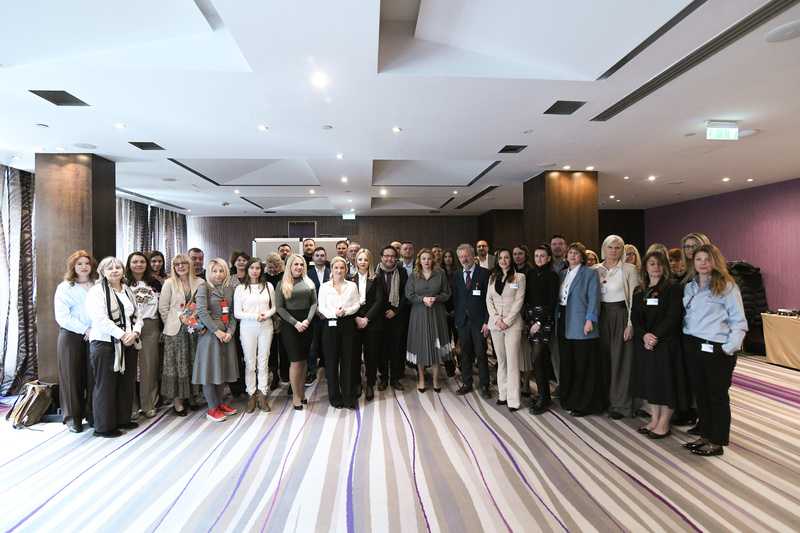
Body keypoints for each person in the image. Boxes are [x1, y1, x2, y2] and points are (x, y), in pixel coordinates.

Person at [682, 244, 747, 456]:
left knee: (717, 396)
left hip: (716, 348)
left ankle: (717, 442)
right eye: (698, 259)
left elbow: (739, 322)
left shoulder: (727, 286)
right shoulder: (690, 287)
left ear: (715, 261)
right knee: (701, 395)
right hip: (693, 345)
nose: (702, 263)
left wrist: (728, 349)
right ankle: (705, 436)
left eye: (707, 259)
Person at [630, 251, 687, 439]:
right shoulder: (639, 290)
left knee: (666, 383)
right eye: (652, 263)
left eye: (660, 263)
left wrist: (654, 337)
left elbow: (673, 316)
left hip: (666, 343)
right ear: (645, 267)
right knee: (652, 382)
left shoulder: (673, 287)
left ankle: (664, 423)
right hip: (646, 343)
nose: (656, 267)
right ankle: (654, 420)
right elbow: (634, 317)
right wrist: (644, 336)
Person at [86, 256, 143, 438]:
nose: (114, 271)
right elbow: (100, 319)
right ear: (102, 272)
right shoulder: (96, 291)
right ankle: (104, 427)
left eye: (117, 267)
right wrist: (123, 335)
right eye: (110, 268)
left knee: (125, 384)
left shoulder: (127, 290)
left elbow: (138, 315)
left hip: (129, 342)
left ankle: (122, 419)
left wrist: (135, 333)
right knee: (106, 385)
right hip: (105, 344)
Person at [595, 235, 640, 419]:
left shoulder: (628, 269)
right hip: (600, 317)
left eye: (617, 248)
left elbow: (634, 300)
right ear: (604, 249)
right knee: (602, 359)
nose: (613, 251)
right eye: (610, 247)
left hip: (621, 316)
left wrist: (630, 324)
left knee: (621, 361)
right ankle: (604, 400)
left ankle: (620, 405)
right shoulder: (595, 269)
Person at [54, 250, 98, 433]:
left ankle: (93, 414)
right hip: (71, 335)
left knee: (93, 376)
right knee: (71, 377)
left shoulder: (98, 284)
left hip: (96, 333)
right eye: (79, 263)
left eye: (87, 263)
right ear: (73, 266)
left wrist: (94, 330)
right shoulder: (65, 287)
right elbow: (62, 316)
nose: (84, 267)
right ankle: (73, 419)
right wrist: (85, 329)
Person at [558, 243, 603, 417]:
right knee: (568, 362)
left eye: (576, 253)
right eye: (570, 252)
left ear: (582, 257)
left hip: (582, 323)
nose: (572, 255)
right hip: (563, 320)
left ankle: (585, 404)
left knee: (583, 365)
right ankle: (569, 399)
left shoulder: (590, 273)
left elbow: (594, 298)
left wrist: (590, 320)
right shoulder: (562, 274)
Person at [194, 259, 240, 422]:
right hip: (210, 335)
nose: (218, 274)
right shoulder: (204, 287)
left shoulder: (230, 288)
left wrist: (230, 332)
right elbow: (201, 311)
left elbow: (232, 312)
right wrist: (217, 331)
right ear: (209, 272)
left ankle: (220, 403)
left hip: (227, 335)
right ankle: (211, 408)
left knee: (222, 370)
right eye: (215, 271)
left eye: (221, 271)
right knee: (209, 371)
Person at [159, 254, 204, 416]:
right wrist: (171, 323)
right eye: (177, 264)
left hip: (194, 331)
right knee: (176, 367)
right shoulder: (169, 283)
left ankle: (191, 397)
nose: (180, 266)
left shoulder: (200, 282)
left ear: (189, 264)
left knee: (192, 363)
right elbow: (163, 308)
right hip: (175, 332)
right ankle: (177, 402)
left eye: (184, 263)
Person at [405, 248, 453, 393]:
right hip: (419, 313)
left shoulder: (440, 274)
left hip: (436, 313)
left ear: (433, 260)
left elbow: (447, 293)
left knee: (436, 343)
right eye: (424, 258)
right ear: (419, 261)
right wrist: (423, 299)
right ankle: (421, 378)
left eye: (429, 258)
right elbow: (409, 294)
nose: (427, 261)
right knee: (421, 344)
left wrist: (435, 298)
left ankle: (436, 379)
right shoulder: (414, 275)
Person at [234, 257, 276, 414]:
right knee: (250, 363)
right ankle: (251, 395)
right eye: (252, 268)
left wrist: (266, 315)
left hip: (266, 326)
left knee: (263, 361)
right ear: (247, 270)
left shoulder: (268, 286)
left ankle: (262, 394)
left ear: (261, 270)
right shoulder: (241, 288)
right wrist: (254, 316)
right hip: (247, 327)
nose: (254, 271)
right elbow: (237, 313)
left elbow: (274, 307)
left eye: (257, 268)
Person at [275, 254, 317, 411]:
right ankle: (296, 396)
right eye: (296, 264)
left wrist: (307, 320)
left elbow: (314, 303)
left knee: (304, 361)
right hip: (290, 326)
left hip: (306, 324)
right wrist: (295, 323)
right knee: (295, 362)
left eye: (301, 264)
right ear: (289, 266)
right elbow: (279, 308)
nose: (299, 267)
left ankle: (302, 392)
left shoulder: (308, 282)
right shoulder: (282, 283)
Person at [318, 256, 361, 409]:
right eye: (336, 267)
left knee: (348, 361)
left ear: (345, 269)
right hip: (330, 325)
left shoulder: (352, 286)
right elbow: (321, 307)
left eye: (342, 267)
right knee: (331, 362)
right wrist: (334, 313)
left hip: (347, 324)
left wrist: (345, 311)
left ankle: (349, 398)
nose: (339, 270)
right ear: (332, 269)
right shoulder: (324, 287)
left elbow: (357, 304)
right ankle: (335, 398)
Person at [486, 248, 526, 411]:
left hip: (512, 324)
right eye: (500, 258)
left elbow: (519, 300)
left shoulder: (520, 277)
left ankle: (513, 399)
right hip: (496, 323)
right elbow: (488, 300)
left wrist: (508, 320)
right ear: (497, 260)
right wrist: (497, 319)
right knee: (501, 360)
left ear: (511, 259)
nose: (503, 260)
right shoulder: (492, 277)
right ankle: (502, 394)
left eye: (506, 257)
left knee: (512, 361)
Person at [125, 252, 162, 420]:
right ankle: (131, 406)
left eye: (142, 262)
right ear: (129, 264)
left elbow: (162, 307)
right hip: (129, 327)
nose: (139, 265)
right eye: (135, 262)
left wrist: (162, 329)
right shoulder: (123, 283)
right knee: (130, 366)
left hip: (151, 326)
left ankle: (149, 405)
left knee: (149, 366)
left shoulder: (154, 282)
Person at [453, 243, 491, 399]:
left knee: (481, 354)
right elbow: (456, 298)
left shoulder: (485, 273)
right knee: (465, 353)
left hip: (480, 321)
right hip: (463, 320)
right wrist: (457, 319)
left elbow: (489, 299)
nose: (464, 259)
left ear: (473, 256)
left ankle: (484, 384)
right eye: (461, 256)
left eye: (467, 255)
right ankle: (467, 382)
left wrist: (487, 321)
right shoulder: (456, 275)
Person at [525, 244, 560, 415]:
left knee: (536, 358)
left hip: (544, 318)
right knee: (540, 359)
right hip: (530, 316)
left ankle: (544, 398)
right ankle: (543, 394)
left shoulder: (552, 275)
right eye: (537, 256)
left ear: (548, 258)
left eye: (542, 256)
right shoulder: (531, 273)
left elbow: (553, 302)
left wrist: (539, 322)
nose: (539, 259)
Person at [351, 249, 386, 400]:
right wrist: (357, 318)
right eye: (360, 259)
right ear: (356, 261)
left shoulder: (376, 278)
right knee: (355, 355)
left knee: (371, 355)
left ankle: (370, 384)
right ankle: (357, 383)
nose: (363, 262)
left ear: (370, 261)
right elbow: (347, 301)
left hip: (372, 322)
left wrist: (366, 319)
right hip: (354, 322)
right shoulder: (349, 278)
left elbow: (379, 300)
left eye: (366, 259)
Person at [375, 244, 408, 390]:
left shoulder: (402, 272)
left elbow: (405, 294)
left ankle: (395, 377)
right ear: (381, 257)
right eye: (387, 256)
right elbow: (374, 295)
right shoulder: (375, 272)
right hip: (380, 316)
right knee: (382, 348)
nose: (389, 258)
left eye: (392, 256)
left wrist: (395, 311)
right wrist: (384, 311)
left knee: (396, 348)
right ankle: (383, 377)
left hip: (397, 316)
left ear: (397, 258)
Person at [227, 250, 251, 397]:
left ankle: (250, 384)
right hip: (233, 322)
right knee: (235, 355)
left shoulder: (253, 277)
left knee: (249, 354)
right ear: (234, 263)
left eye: (244, 260)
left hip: (250, 321)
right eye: (239, 260)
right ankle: (237, 386)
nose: (241, 262)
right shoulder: (229, 280)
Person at [265, 252, 290, 389]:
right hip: (269, 316)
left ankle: (285, 373)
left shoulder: (285, 276)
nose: (273, 270)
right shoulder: (264, 277)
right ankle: (275, 375)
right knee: (271, 347)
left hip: (284, 314)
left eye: (276, 267)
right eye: (270, 267)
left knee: (285, 346)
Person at [307, 247, 331, 385]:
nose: (320, 258)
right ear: (313, 258)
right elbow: (307, 294)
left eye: (322, 255)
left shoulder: (332, 272)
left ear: (326, 257)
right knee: (312, 346)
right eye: (317, 255)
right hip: (313, 316)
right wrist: (316, 309)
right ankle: (312, 372)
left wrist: (325, 310)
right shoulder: (307, 274)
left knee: (328, 345)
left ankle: (329, 371)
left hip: (328, 316)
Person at [442, 249, 460, 375]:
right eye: (445, 257)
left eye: (450, 256)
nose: (448, 259)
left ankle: (462, 364)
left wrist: (456, 310)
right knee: (446, 340)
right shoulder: (439, 274)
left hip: (456, 309)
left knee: (459, 338)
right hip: (443, 310)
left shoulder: (458, 273)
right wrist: (443, 309)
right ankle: (449, 366)